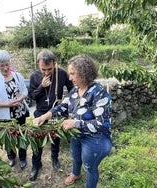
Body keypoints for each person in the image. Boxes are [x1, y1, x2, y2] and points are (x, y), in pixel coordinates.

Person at [33, 55, 113, 188]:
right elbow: (62, 106)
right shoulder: (75, 91)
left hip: (94, 139)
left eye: (72, 74)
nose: (69, 78)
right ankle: (76, 173)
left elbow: (102, 124)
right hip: (76, 134)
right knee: (75, 156)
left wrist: (76, 123)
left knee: (90, 167)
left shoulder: (99, 93)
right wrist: (44, 117)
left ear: (84, 73)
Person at [28, 49, 74, 181]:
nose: (47, 72)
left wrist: (67, 104)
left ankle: (55, 158)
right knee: (37, 140)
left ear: (54, 63)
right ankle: (36, 165)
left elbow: (73, 90)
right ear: (38, 64)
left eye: (49, 69)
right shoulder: (34, 76)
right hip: (40, 113)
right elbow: (32, 96)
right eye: (43, 69)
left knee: (55, 138)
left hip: (56, 112)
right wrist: (41, 86)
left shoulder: (62, 73)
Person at [0, 49, 28, 170]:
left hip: (20, 112)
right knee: (8, 137)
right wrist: (8, 105)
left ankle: (23, 157)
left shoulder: (17, 76)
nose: (5, 68)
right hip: (5, 115)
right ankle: (11, 157)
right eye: (1, 66)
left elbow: (24, 91)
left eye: (7, 64)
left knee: (21, 136)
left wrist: (19, 99)